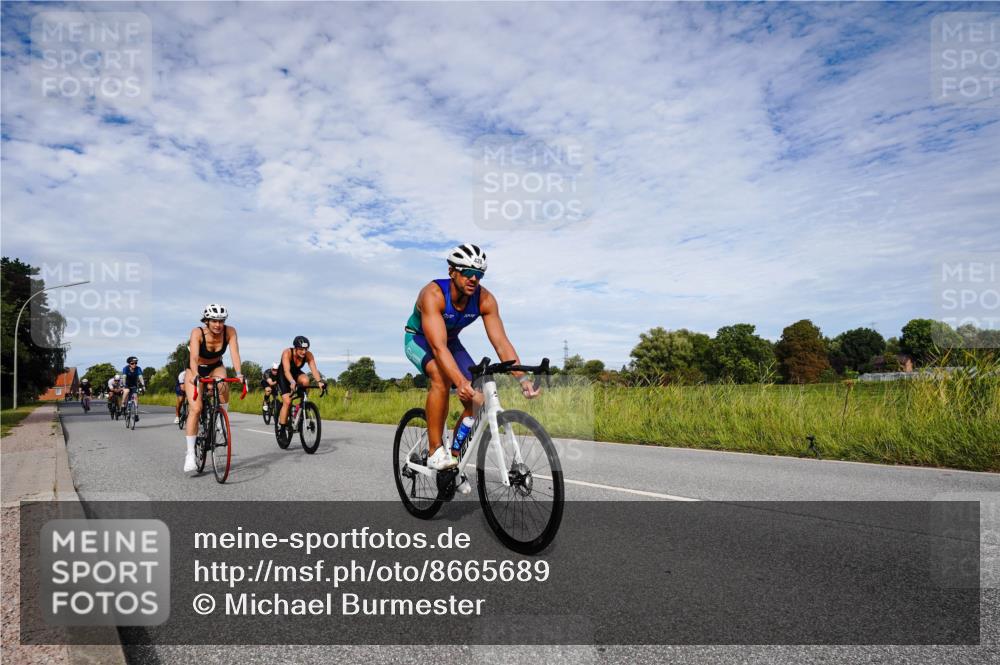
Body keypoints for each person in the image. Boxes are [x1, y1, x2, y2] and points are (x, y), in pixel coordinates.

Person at [403, 244, 539, 491]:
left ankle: (454, 458)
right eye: (467, 272)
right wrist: (459, 382)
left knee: (477, 396)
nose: (474, 279)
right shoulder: (432, 294)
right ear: (452, 271)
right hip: (421, 339)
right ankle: (435, 450)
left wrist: (522, 379)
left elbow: (501, 342)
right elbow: (438, 348)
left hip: (451, 342)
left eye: (480, 274)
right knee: (440, 377)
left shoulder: (485, 299)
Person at [183, 304, 243, 473]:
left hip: (216, 366)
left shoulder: (230, 332)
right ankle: (190, 454)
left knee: (223, 384)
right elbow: (193, 357)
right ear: (207, 321)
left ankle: (219, 421)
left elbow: (235, 354)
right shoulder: (197, 332)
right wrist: (195, 374)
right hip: (195, 368)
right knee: (196, 408)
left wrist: (239, 373)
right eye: (214, 321)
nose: (218, 324)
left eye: (221, 321)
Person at [276, 337, 326, 441]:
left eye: (306, 349)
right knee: (287, 401)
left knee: (306, 380)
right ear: (295, 348)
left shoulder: (308, 355)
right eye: (301, 349)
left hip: (295, 373)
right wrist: (292, 382)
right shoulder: (287, 353)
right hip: (284, 375)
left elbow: (314, 369)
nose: (304, 352)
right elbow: (286, 371)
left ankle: (301, 406)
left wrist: (319, 381)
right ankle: (282, 430)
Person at [120, 356, 146, 421]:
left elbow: (140, 377)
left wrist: (143, 385)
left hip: (134, 384)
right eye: (132, 363)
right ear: (129, 364)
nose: (134, 364)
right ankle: (123, 405)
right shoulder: (125, 368)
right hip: (126, 383)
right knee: (127, 391)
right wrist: (123, 385)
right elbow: (124, 377)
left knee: (135, 396)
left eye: (135, 363)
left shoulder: (138, 368)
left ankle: (136, 414)